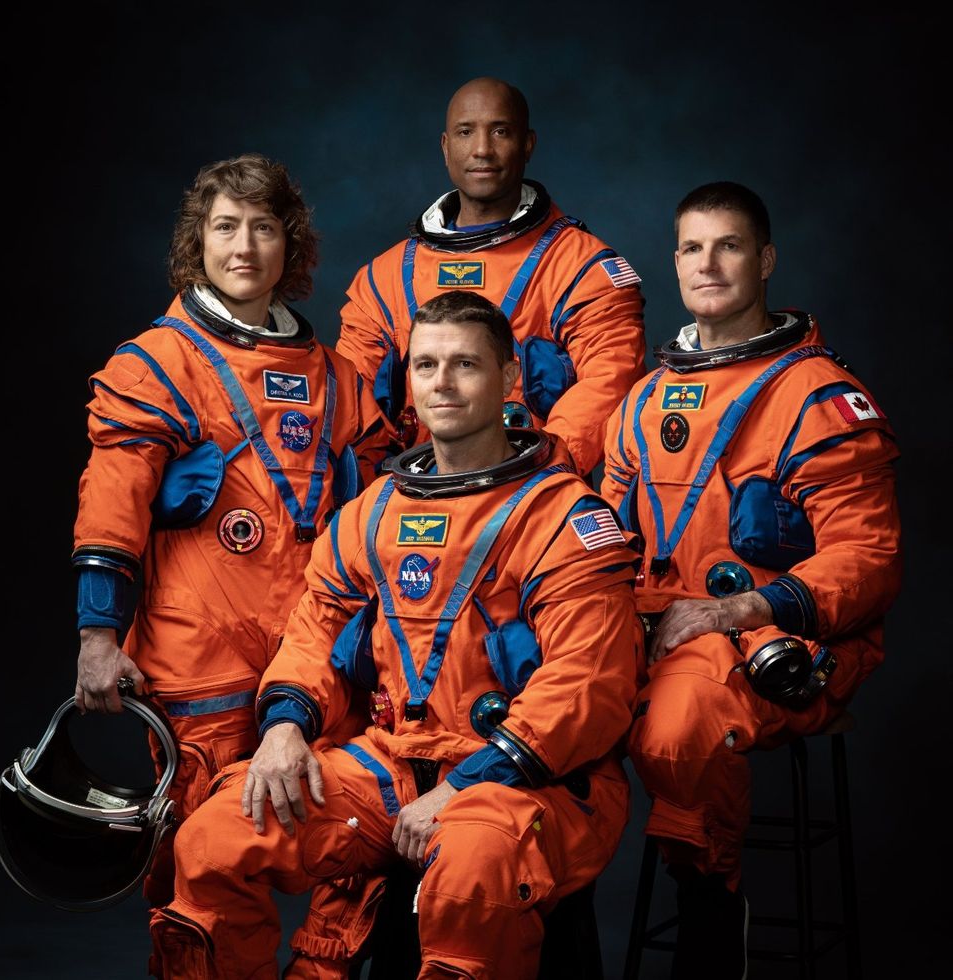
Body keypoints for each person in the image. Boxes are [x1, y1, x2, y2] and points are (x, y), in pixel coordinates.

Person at [149, 290, 642, 979]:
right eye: (426, 365)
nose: (441, 383)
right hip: (391, 764)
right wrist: (287, 726)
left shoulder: (562, 518)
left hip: (531, 780)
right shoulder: (373, 512)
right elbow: (315, 629)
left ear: (507, 380)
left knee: (471, 871)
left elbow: (589, 687)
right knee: (212, 837)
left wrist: (467, 782)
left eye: (465, 365)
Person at [72, 153, 390, 909]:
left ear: (292, 244)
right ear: (199, 243)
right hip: (200, 663)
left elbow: (382, 522)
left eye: (263, 227)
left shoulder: (338, 379)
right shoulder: (157, 364)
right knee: (200, 872)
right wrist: (96, 635)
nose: (244, 246)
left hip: (320, 660)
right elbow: (111, 501)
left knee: (347, 853)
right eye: (225, 228)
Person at [601, 182, 901, 978]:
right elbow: (602, 542)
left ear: (764, 259)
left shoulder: (819, 398)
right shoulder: (641, 402)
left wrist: (741, 606)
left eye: (728, 246)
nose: (709, 263)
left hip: (775, 636)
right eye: (693, 248)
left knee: (677, 723)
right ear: (674, 264)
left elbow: (868, 560)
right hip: (652, 630)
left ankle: (709, 900)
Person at [336, 76, 646, 475]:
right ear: (446, 147)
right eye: (466, 132)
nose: (482, 150)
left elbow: (609, 381)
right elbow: (350, 399)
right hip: (410, 499)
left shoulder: (580, 266)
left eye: (500, 131)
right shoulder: (385, 278)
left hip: (530, 496)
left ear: (528, 144)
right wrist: (381, 491)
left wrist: (537, 477)